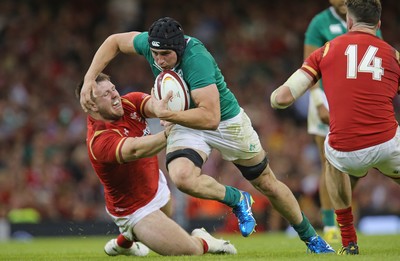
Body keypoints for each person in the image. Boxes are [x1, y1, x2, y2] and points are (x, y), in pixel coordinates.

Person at [80, 17, 334, 253]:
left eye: (165, 54)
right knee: (181, 177)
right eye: (155, 53)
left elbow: (210, 118)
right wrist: (90, 79)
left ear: (179, 49)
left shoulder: (195, 59)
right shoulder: (153, 46)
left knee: (267, 183)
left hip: (225, 121)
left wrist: (168, 117)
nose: (159, 60)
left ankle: (311, 238)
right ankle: (237, 199)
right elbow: (114, 41)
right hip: (186, 122)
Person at [271, 0, 400, 255]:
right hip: (388, 144)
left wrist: (275, 97)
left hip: (345, 150)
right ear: (379, 24)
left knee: (331, 162)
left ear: (349, 22)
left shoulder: (326, 50)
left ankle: (349, 240)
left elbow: (282, 98)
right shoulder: (393, 55)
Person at [75, 73, 237, 256]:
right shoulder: (99, 140)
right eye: (106, 94)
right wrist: (169, 133)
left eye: (113, 89)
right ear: (92, 105)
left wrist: (161, 107)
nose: (115, 95)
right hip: (135, 210)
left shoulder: (128, 103)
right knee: (190, 251)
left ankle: (124, 242)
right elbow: (136, 149)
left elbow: (151, 105)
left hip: (154, 184)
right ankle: (204, 239)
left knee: (168, 210)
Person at [303, 0, 383, 243]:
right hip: (325, 99)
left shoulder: (366, 19)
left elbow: (376, 59)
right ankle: (330, 225)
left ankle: (340, 214)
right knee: (329, 163)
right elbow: (309, 65)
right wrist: (318, 102)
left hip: (355, 100)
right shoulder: (319, 22)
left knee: (356, 167)